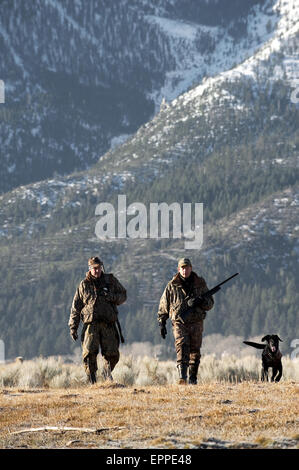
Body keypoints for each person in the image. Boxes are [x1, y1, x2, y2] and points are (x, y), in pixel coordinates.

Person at [69, 256, 127, 384]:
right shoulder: (84, 285)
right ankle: (92, 380)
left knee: (112, 353)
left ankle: (107, 374)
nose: (97, 271)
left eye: (99, 268)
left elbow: (123, 295)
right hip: (91, 324)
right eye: (94, 268)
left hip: (108, 323)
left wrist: (112, 297)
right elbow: (76, 307)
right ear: (89, 269)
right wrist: (73, 327)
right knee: (89, 353)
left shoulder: (110, 281)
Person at [157, 258, 214, 384]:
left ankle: (193, 379)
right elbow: (163, 305)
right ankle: (182, 378)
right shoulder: (172, 285)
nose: (185, 270)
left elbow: (210, 304)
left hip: (196, 322)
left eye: (187, 267)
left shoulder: (200, 284)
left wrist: (200, 302)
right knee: (182, 346)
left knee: (195, 350)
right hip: (179, 322)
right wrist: (162, 322)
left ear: (191, 268)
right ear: (179, 269)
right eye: (182, 268)